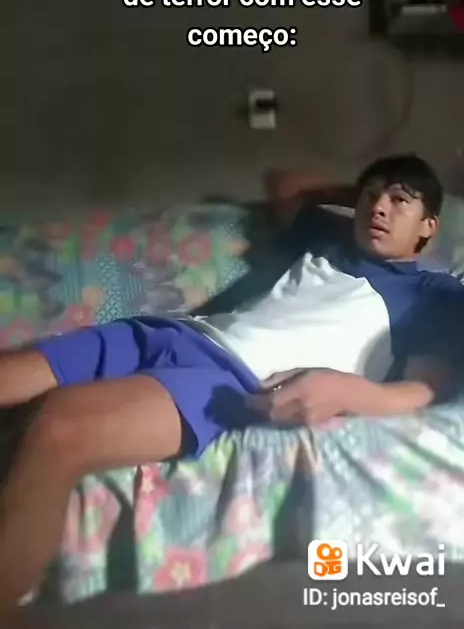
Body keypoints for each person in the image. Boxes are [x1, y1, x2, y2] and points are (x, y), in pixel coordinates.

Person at [0, 153, 463, 619]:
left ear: (429, 226)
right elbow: (283, 183)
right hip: (176, 332)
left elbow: (424, 391)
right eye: (372, 197)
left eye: (399, 201)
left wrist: (342, 391)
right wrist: (370, 195)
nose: (379, 208)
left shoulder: (432, 293)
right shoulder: (331, 237)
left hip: (228, 379)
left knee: (59, 427)